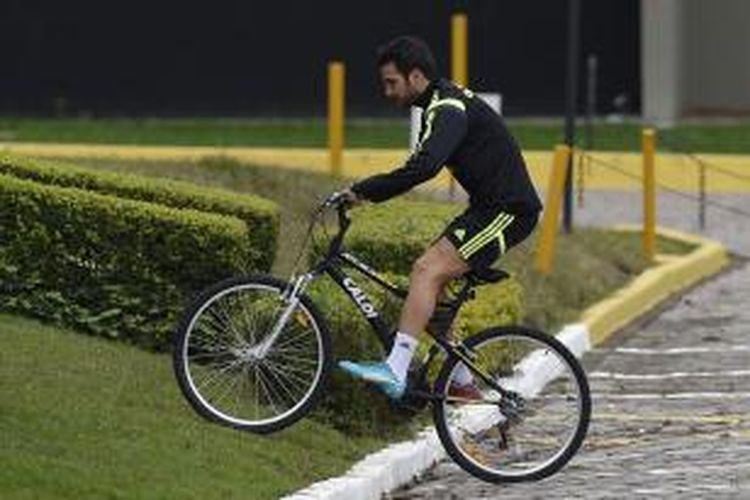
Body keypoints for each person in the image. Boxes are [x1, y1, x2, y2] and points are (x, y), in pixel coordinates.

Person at [338, 35, 542, 400]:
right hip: (487, 208)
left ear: (415, 77)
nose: (387, 91)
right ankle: (461, 382)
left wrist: (364, 191)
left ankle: (395, 369)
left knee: (425, 271)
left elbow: (425, 167)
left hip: (508, 211)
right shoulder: (441, 101)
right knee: (431, 289)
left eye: (391, 82)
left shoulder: (446, 108)